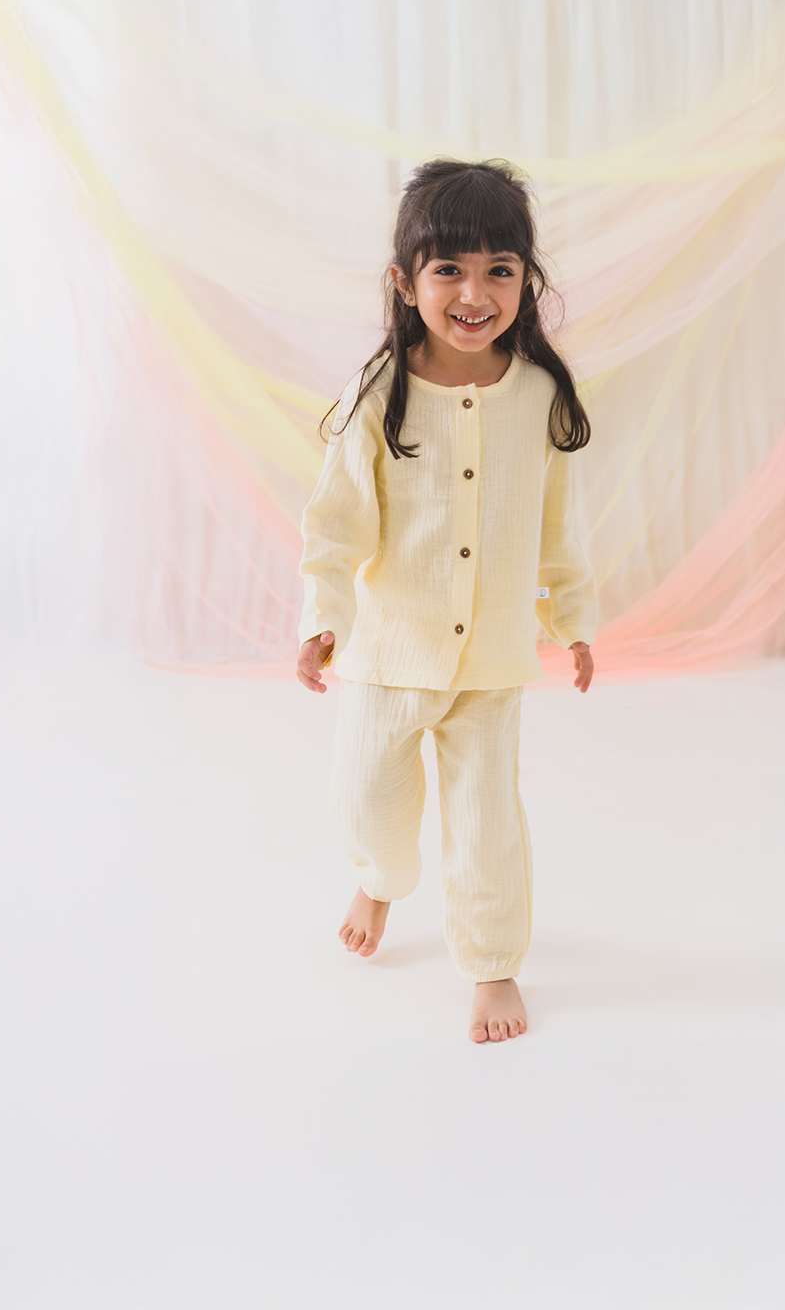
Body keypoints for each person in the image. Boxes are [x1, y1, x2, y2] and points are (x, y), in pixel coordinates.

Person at [296, 158, 596, 1043]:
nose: (475, 293)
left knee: (486, 822)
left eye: (499, 269)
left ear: (526, 280)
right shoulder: (377, 396)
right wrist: (323, 619)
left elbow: (557, 528)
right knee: (368, 802)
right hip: (389, 655)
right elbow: (335, 524)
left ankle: (493, 963)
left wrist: (571, 622)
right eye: (449, 270)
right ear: (405, 282)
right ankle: (380, 882)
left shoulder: (538, 396)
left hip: (491, 662)